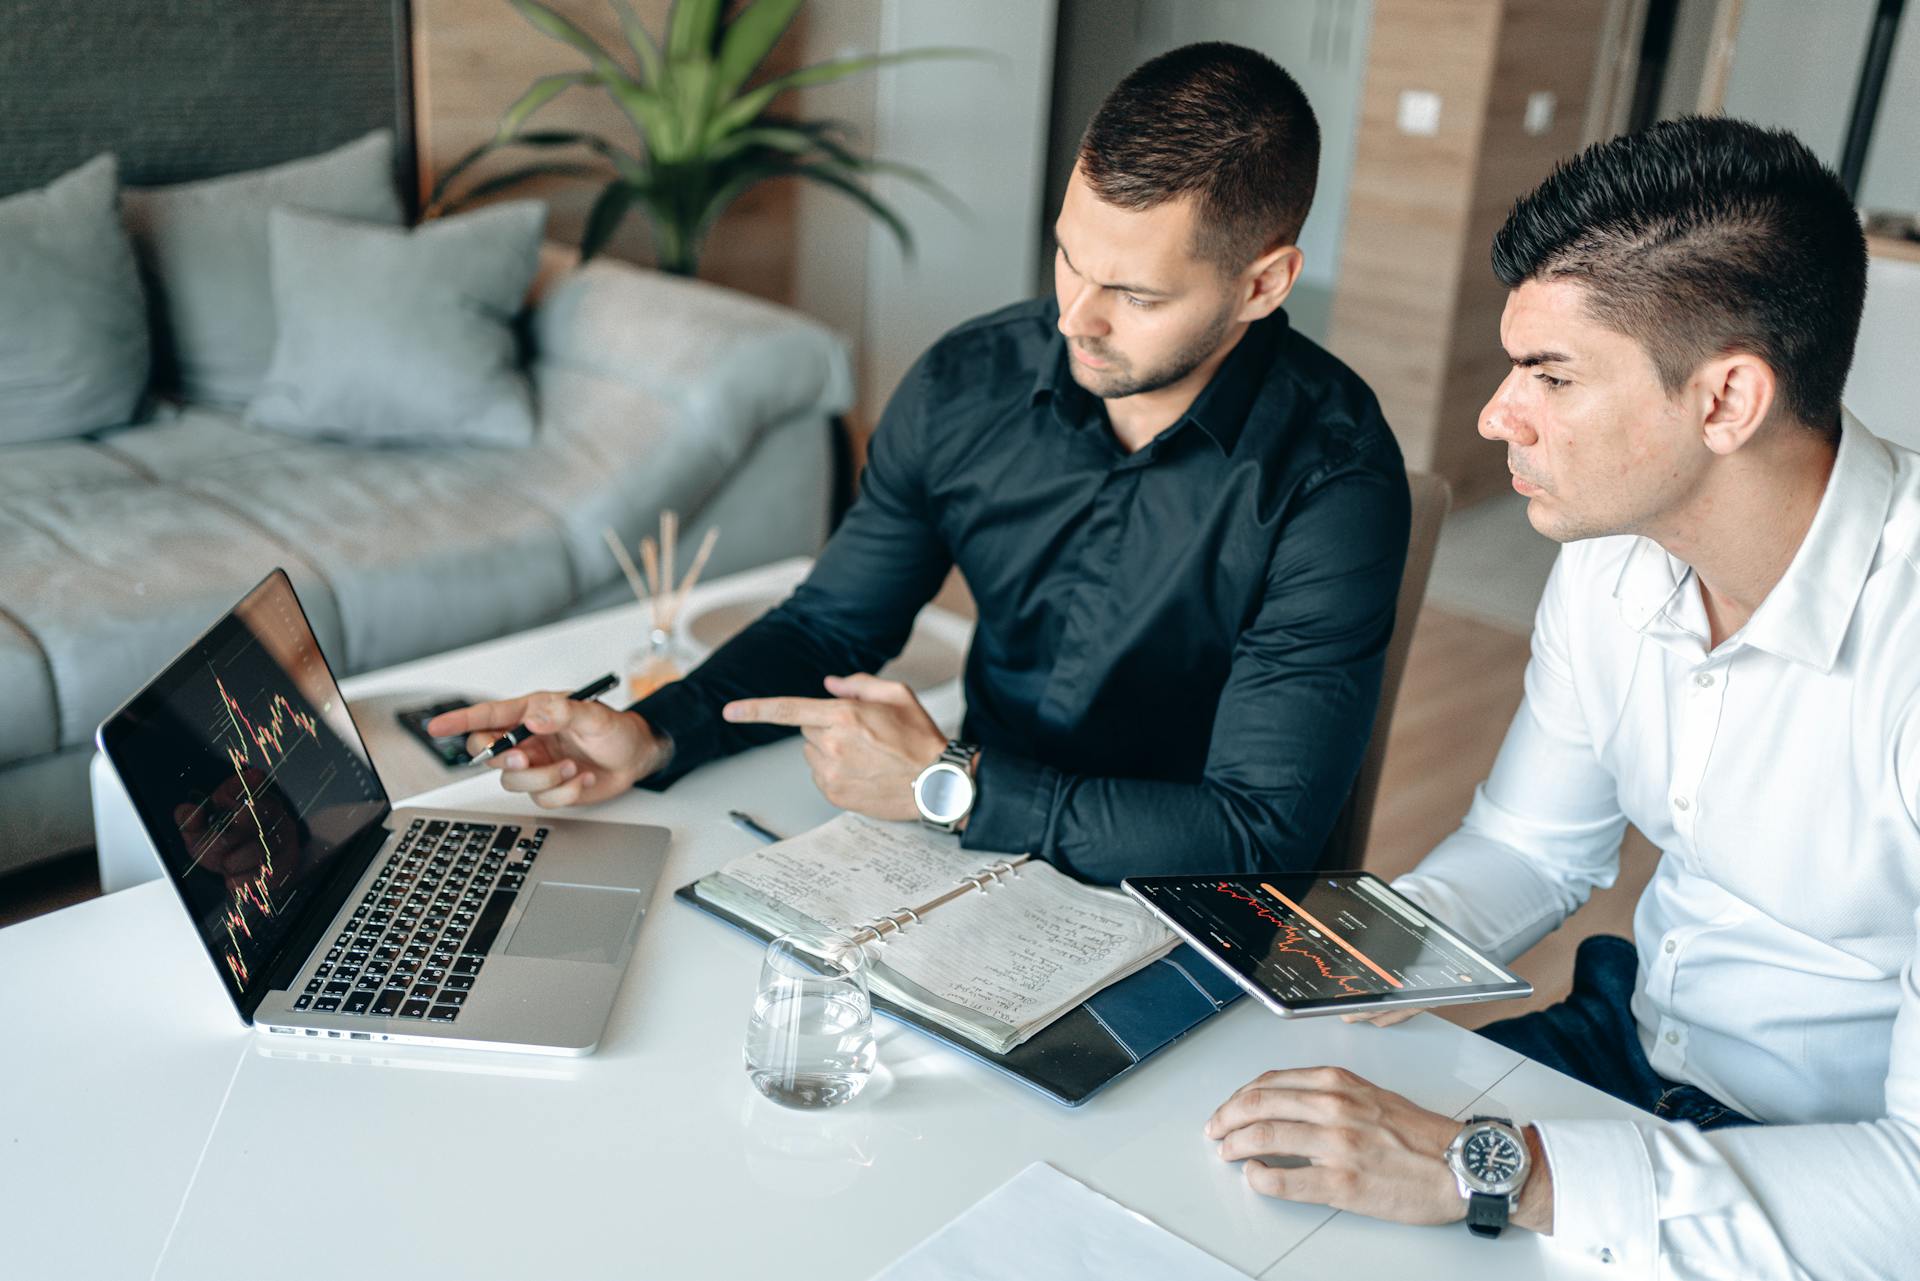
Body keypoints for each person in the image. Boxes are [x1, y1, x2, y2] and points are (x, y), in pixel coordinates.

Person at [1203, 116, 1920, 1277]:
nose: (1498, 416)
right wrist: (1308, 966)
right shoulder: (1613, 558)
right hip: (1629, 1044)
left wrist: (1492, 1168)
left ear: (1727, 399)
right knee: (1235, 1187)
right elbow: (1531, 852)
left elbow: (1912, 1192)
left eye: (1552, 375)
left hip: (1834, 1164)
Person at [431, 43, 1410, 883]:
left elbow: (1259, 832)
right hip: (960, 843)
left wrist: (956, 787)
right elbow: (833, 624)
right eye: (1068, 257)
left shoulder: (1334, 483)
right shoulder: (969, 384)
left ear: (1263, 284)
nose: (1073, 319)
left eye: (1135, 295)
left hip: (1184, 903)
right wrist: (653, 735)